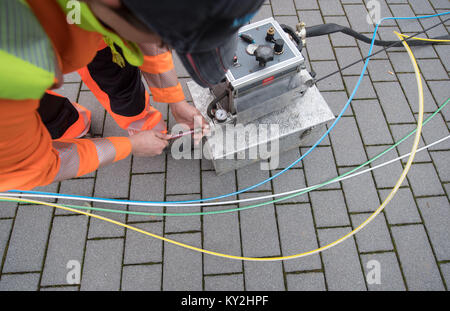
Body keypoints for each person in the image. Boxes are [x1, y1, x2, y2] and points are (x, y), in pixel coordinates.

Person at [0, 0, 264, 191]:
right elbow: (41, 164)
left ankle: (134, 125)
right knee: (43, 108)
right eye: (170, 41)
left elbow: (148, 34)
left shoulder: (121, 11)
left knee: (119, 79)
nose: (168, 48)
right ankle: (66, 126)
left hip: (85, 28)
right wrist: (128, 147)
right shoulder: (13, 74)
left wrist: (175, 100)